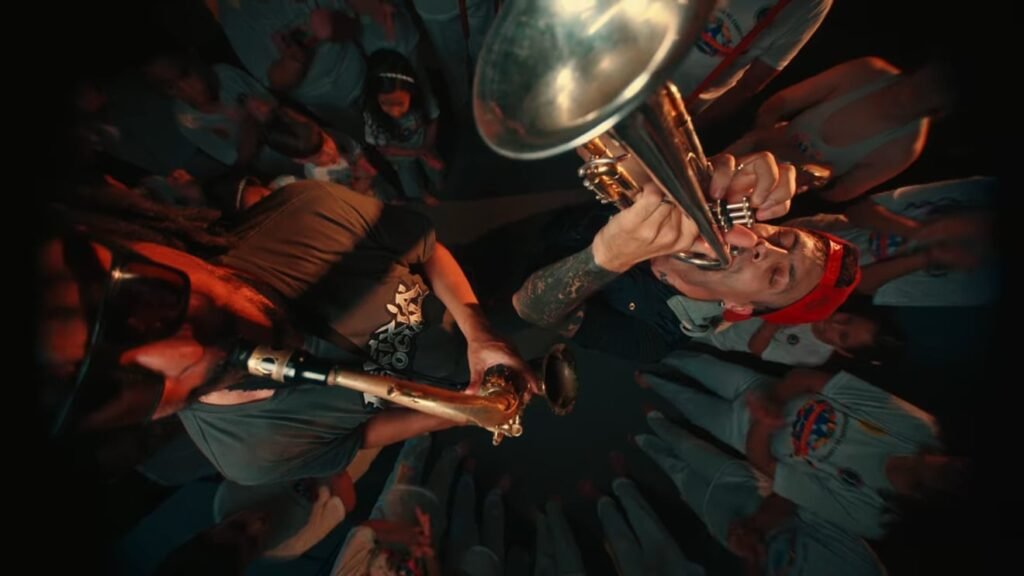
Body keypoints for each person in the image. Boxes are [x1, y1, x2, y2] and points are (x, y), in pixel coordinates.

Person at [37, 179, 536, 486]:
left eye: (135, 303)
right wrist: (464, 411)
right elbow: (359, 436)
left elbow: (427, 251)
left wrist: (479, 331)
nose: (189, 354)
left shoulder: (304, 211)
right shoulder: (247, 460)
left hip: (477, 297)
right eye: (114, 391)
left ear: (130, 233)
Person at [512, 150, 862, 361]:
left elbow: (533, 310)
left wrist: (608, 258)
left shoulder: (655, 340)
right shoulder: (712, 207)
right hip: (545, 220)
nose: (763, 246)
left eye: (777, 275)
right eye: (782, 238)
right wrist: (694, 171)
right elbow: (602, 147)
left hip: (499, 292)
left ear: (740, 306)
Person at [638, 351, 965, 538]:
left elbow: (763, 463)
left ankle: (651, 380)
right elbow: (810, 379)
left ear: (926, 495)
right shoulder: (920, 430)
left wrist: (765, 423)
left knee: (687, 402)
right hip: (766, 389)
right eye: (955, 458)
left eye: (948, 472)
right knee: (690, 360)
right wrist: (772, 401)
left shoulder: (871, 514)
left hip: (747, 434)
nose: (944, 457)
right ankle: (654, 355)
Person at [635, 412, 886, 574]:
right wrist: (755, 527)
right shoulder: (861, 566)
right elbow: (805, 504)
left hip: (742, 542)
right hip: (762, 508)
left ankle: (646, 442)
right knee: (693, 451)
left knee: (684, 479)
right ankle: (657, 422)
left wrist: (750, 555)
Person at [726, 57, 958, 202]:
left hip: (777, 193)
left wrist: (817, 176)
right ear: (927, 66)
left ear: (943, 108)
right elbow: (779, 103)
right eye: (935, 77)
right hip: (754, 148)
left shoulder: (906, 148)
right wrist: (765, 137)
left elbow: (841, 193)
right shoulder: (867, 71)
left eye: (941, 90)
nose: (928, 88)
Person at [671, 0, 833, 131]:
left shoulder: (810, 4)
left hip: (680, 104)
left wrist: (690, 126)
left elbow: (751, 82)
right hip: (659, 60)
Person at [363, 49, 445, 202]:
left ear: (411, 92)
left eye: (400, 103)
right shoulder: (372, 116)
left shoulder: (424, 99)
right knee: (410, 182)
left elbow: (433, 119)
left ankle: (439, 190)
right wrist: (418, 152)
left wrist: (427, 147)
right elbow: (384, 148)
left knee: (436, 171)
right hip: (400, 157)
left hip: (425, 145)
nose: (394, 112)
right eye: (385, 103)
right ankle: (422, 195)